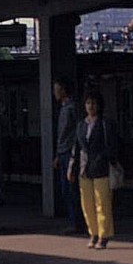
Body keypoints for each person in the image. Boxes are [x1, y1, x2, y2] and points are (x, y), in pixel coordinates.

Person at [68, 91, 119, 249]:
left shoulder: (105, 124)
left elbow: (112, 145)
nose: (91, 106)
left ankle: (104, 235)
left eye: (94, 103)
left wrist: (105, 158)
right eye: (88, 103)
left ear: (99, 106)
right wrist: (71, 166)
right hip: (84, 168)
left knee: (102, 203)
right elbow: (76, 147)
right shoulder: (81, 125)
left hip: (101, 167)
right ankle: (93, 233)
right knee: (87, 204)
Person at [53, 78, 86, 235]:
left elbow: (76, 133)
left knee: (71, 189)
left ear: (63, 91)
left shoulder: (72, 108)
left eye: (56, 89)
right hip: (63, 152)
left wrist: (74, 153)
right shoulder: (63, 108)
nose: (54, 93)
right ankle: (74, 221)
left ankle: (77, 222)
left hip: (71, 153)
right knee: (66, 189)